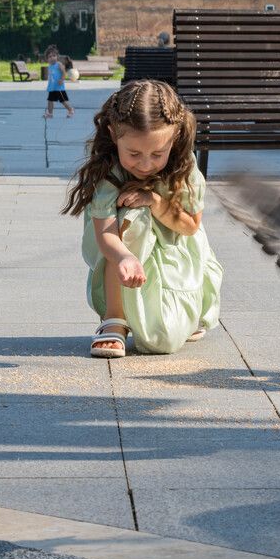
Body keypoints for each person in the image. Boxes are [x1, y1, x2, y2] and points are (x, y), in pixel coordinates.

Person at [62, 79, 223, 358]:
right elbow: (106, 234)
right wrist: (123, 256)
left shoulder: (185, 168)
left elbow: (190, 225)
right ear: (114, 135)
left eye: (158, 154)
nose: (146, 164)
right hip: (126, 251)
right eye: (134, 153)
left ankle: (187, 309)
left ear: (174, 138)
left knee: (161, 342)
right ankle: (115, 319)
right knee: (133, 214)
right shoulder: (109, 173)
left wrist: (156, 200)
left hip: (178, 250)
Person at [43, 45, 75, 118]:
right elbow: (51, 77)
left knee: (63, 101)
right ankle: (50, 113)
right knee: (50, 100)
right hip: (52, 87)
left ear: (57, 56)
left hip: (59, 87)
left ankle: (70, 109)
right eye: (50, 57)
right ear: (47, 59)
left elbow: (64, 72)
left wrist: (62, 79)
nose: (52, 58)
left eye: (54, 56)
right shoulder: (50, 66)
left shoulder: (59, 64)